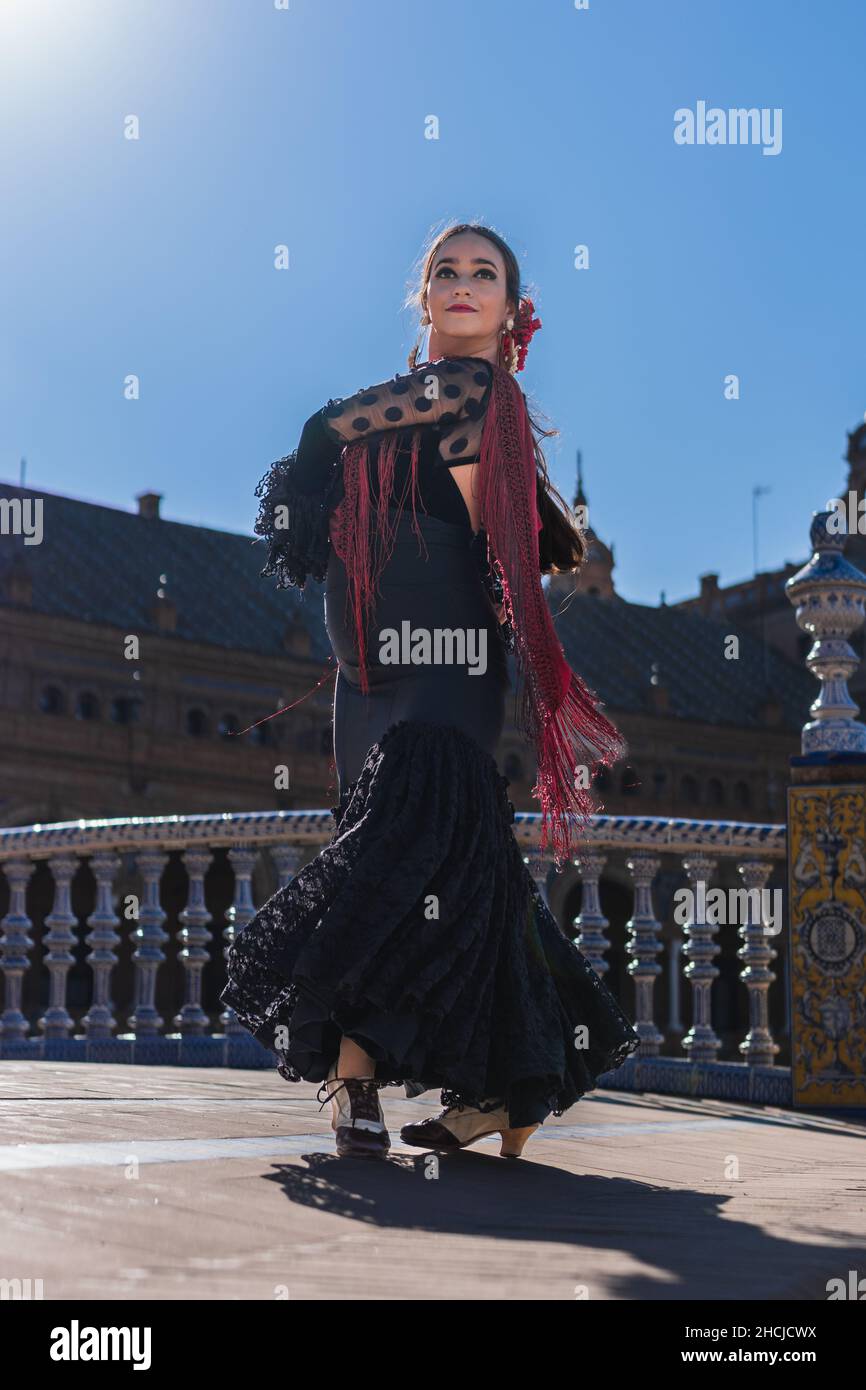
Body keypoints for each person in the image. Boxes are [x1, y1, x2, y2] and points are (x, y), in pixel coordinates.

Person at [219, 222, 640, 1160]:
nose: (459, 284)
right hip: (374, 664)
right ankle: (510, 1088)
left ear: (509, 309)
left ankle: (355, 1075)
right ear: (424, 299)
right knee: (464, 870)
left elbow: (324, 428)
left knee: (396, 853)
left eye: (481, 274)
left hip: (438, 660)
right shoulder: (468, 405)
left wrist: (306, 510)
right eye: (443, 272)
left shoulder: (472, 384)